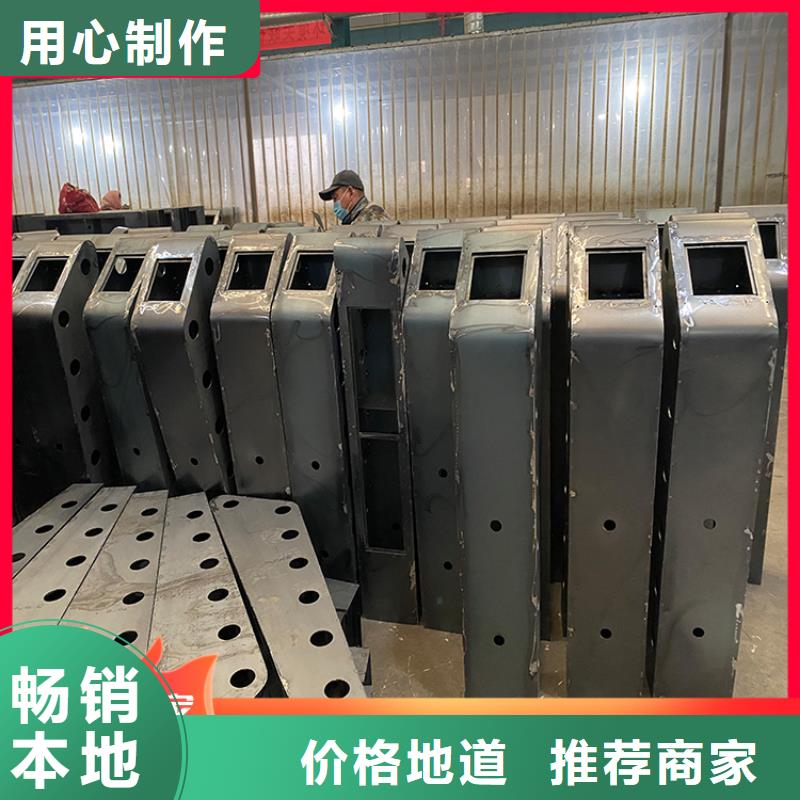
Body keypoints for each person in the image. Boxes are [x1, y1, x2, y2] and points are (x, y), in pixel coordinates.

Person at [318, 170, 390, 225]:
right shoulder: (353, 218)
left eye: (335, 198)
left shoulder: (373, 216)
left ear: (350, 192)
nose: (335, 204)